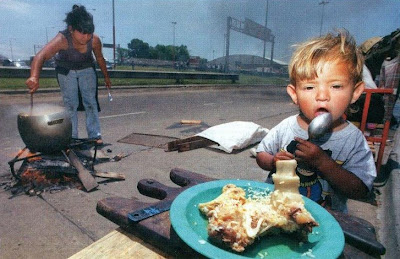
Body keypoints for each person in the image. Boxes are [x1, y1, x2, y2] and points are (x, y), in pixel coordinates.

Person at [256, 30, 376, 213]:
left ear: (355, 92)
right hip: (276, 211)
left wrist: (323, 163)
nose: (322, 96)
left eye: (336, 86)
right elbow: (261, 153)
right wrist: (273, 162)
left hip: (324, 221)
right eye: (310, 87)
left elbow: (360, 190)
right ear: (294, 94)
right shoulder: (287, 126)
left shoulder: (353, 139)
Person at [26, 4, 111, 145]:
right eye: (82, 33)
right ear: (71, 29)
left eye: (89, 33)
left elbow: (100, 58)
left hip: (87, 69)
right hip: (66, 70)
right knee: (71, 104)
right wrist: (34, 76)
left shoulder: (94, 40)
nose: (86, 37)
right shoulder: (62, 39)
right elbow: (40, 56)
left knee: (90, 101)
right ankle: (71, 137)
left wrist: (106, 77)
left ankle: (95, 135)